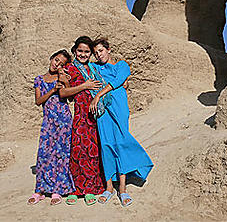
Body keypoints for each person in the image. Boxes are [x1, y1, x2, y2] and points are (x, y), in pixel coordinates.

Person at [89, 38, 154, 207]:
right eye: (96, 53)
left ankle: (123, 189)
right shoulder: (95, 68)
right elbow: (80, 67)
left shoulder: (122, 65)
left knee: (121, 143)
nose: (98, 55)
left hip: (119, 108)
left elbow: (118, 81)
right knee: (106, 145)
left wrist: (98, 94)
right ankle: (109, 187)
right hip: (103, 112)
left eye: (101, 51)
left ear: (108, 50)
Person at [59, 36, 105, 205]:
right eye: (80, 51)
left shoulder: (94, 68)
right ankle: (75, 188)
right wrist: (84, 86)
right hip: (80, 114)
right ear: (74, 51)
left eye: (87, 51)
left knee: (94, 149)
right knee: (78, 149)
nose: (83, 54)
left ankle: (91, 188)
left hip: (97, 114)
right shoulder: (69, 69)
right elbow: (63, 93)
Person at [27, 49, 75, 206]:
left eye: (61, 63)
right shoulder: (39, 80)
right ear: (51, 58)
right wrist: (53, 90)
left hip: (63, 119)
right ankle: (40, 189)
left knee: (61, 153)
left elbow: (68, 97)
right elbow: (38, 101)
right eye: (56, 60)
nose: (57, 64)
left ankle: (57, 189)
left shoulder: (62, 77)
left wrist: (64, 79)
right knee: (44, 153)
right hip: (49, 121)